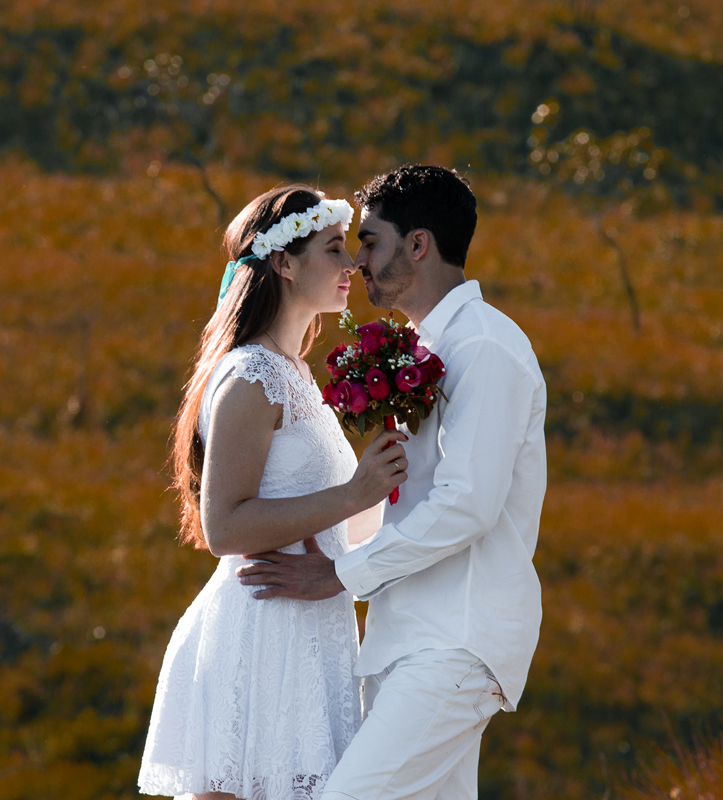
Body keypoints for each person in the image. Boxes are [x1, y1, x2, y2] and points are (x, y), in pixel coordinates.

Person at [237, 165, 547, 799]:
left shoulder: (485, 346)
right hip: (404, 638)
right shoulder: (419, 349)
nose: (359, 259)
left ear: (419, 244)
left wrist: (337, 578)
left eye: (372, 241)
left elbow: (468, 506)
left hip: (455, 641)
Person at [138, 185, 410, 800]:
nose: (352, 266)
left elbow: (339, 523)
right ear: (284, 264)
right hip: (260, 633)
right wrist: (353, 493)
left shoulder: (294, 373)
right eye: (334, 250)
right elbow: (224, 529)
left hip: (309, 632)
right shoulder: (249, 376)